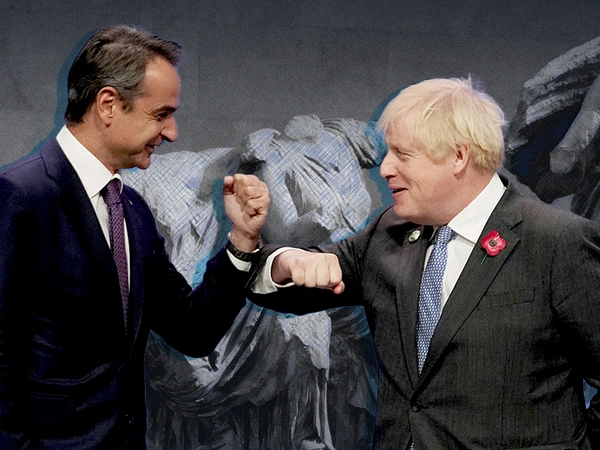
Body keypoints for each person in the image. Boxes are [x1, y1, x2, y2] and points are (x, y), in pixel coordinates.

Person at [250, 77, 600, 449]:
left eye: (402, 154)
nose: (385, 168)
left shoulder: (557, 241)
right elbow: (282, 285)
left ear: (458, 156)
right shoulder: (389, 233)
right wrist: (284, 260)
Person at [0, 25, 269, 450]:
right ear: (108, 104)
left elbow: (192, 330)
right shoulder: (18, 196)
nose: (173, 132)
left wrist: (242, 239)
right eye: (161, 114)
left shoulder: (133, 212)